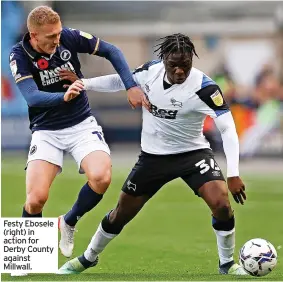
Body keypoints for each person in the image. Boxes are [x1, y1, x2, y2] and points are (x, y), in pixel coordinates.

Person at [58, 33, 247, 275]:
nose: (179, 71)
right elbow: (121, 82)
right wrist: (85, 83)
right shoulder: (150, 72)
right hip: (153, 158)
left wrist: (233, 173)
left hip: (193, 154)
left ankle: (227, 263)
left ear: (192, 60)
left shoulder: (205, 88)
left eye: (185, 65)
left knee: (221, 203)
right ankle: (88, 257)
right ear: (164, 59)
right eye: (174, 65)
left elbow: (228, 129)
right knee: (120, 214)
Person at [9, 5, 148, 260]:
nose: (57, 40)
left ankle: (68, 221)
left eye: (58, 33)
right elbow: (32, 97)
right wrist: (64, 96)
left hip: (81, 124)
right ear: (33, 34)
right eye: (51, 36)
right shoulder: (19, 55)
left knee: (101, 177)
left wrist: (130, 85)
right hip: (46, 130)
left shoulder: (69, 37)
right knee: (36, 200)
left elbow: (112, 50)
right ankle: (27, 260)